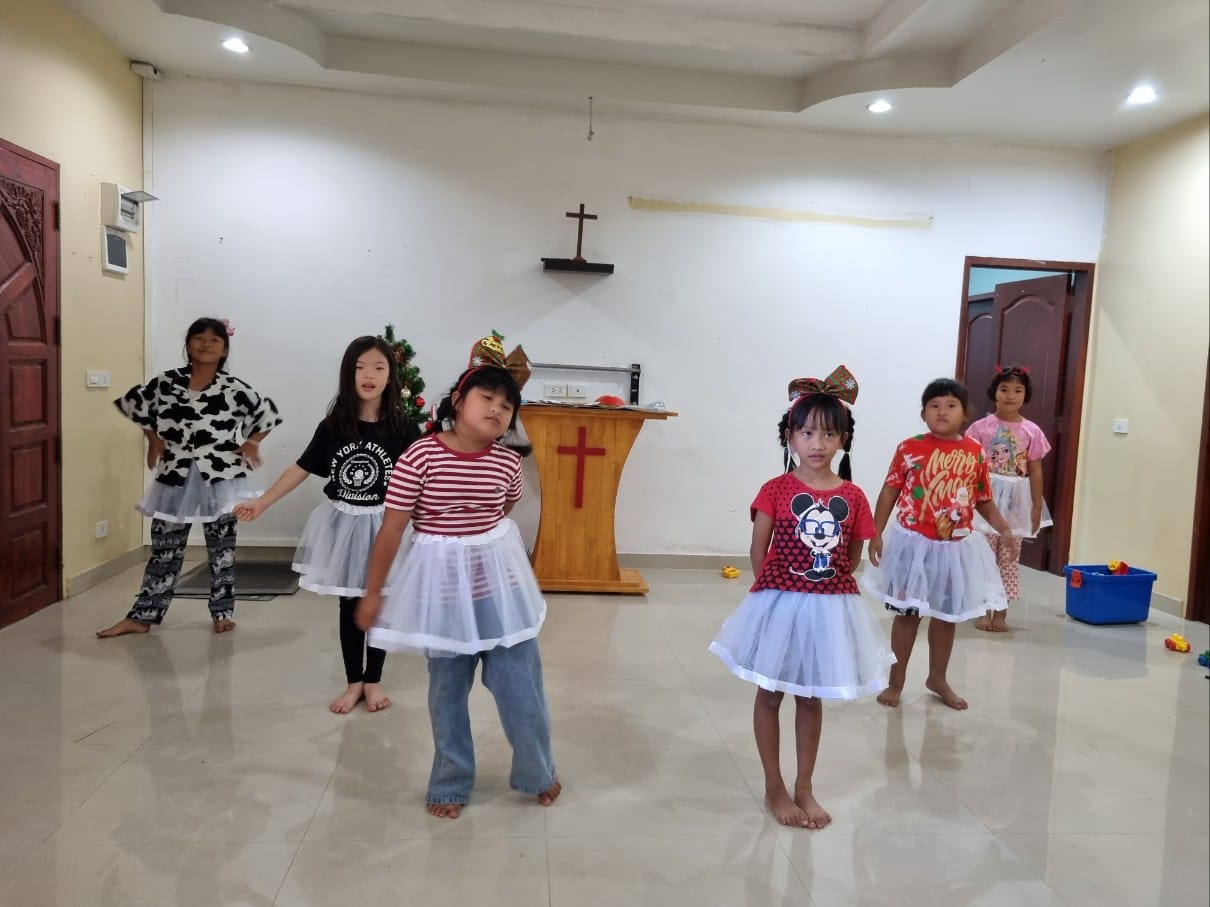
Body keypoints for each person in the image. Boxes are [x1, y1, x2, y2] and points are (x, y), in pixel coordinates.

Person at [355, 332, 560, 819]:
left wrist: (475, 544)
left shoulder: (507, 462)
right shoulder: (420, 456)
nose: (496, 410)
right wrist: (373, 591)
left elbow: (503, 509)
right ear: (457, 401)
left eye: (506, 406)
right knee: (446, 693)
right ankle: (450, 781)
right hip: (444, 597)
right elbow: (392, 528)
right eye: (486, 398)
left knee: (521, 687)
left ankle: (537, 770)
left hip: (499, 592)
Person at [709, 366, 893, 829]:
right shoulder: (775, 490)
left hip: (829, 608)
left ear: (843, 439)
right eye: (807, 432)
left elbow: (852, 556)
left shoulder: (853, 496)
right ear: (789, 437)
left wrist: (822, 586)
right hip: (780, 602)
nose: (817, 443)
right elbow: (759, 547)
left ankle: (804, 786)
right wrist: (771, 595)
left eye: (829, 434)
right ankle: (774, 786)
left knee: (811, 698)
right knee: (770, 694)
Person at [234, 336, 420, 712]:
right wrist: (262, 502)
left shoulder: (404, 429)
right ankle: (354, 682)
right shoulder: (335, 425)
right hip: (344, 526)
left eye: (379, 367)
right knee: (349, 605)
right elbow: (302, 467)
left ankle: (374, 681)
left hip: (386, 527)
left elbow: (422, 482)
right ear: (348, 374)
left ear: (391, 376)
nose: (369, 375)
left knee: (379, 602)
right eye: (360, 367)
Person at [97, 317, 280, 638]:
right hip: (175, 475)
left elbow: (267, 413)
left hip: (221, 479)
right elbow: (135, 404)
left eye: (214, 340)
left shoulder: (234, 388)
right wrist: (153, 440)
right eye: (198, 337)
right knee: (165, 548)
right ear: (187, 344)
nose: (206, 344)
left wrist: (252, 443)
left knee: (222, 550)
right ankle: (142, 616)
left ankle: (222, 613)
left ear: (224, 350)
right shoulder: (166, 383)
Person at [860, 378, 1012, 710]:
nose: (942, 411)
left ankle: (937, 678)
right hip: (912, 546)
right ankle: (896, 682)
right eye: (934, 405)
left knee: (946, 616)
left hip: (954, 550)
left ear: (965, 414)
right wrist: (876, 531)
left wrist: (1004, 528)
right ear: (923, 414)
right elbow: (889, 490)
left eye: (951, 405)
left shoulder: (975, 452)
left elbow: (983, 499)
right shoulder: (909, 448)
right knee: (907, 615)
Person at [965, 365, 1052, 631]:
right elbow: (969, 466)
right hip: (986, 498)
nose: (1010, 395)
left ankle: (1001, 612)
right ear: (995, 393)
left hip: (1016, 502)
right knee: (984, 556)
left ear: (1026, 395)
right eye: (1004, 389)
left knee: (1009, 557)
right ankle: (984, 608)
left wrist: (1035, 508)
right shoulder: (980, 428)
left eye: (1017, 390)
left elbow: (1036, 470)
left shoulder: (1032, 431)